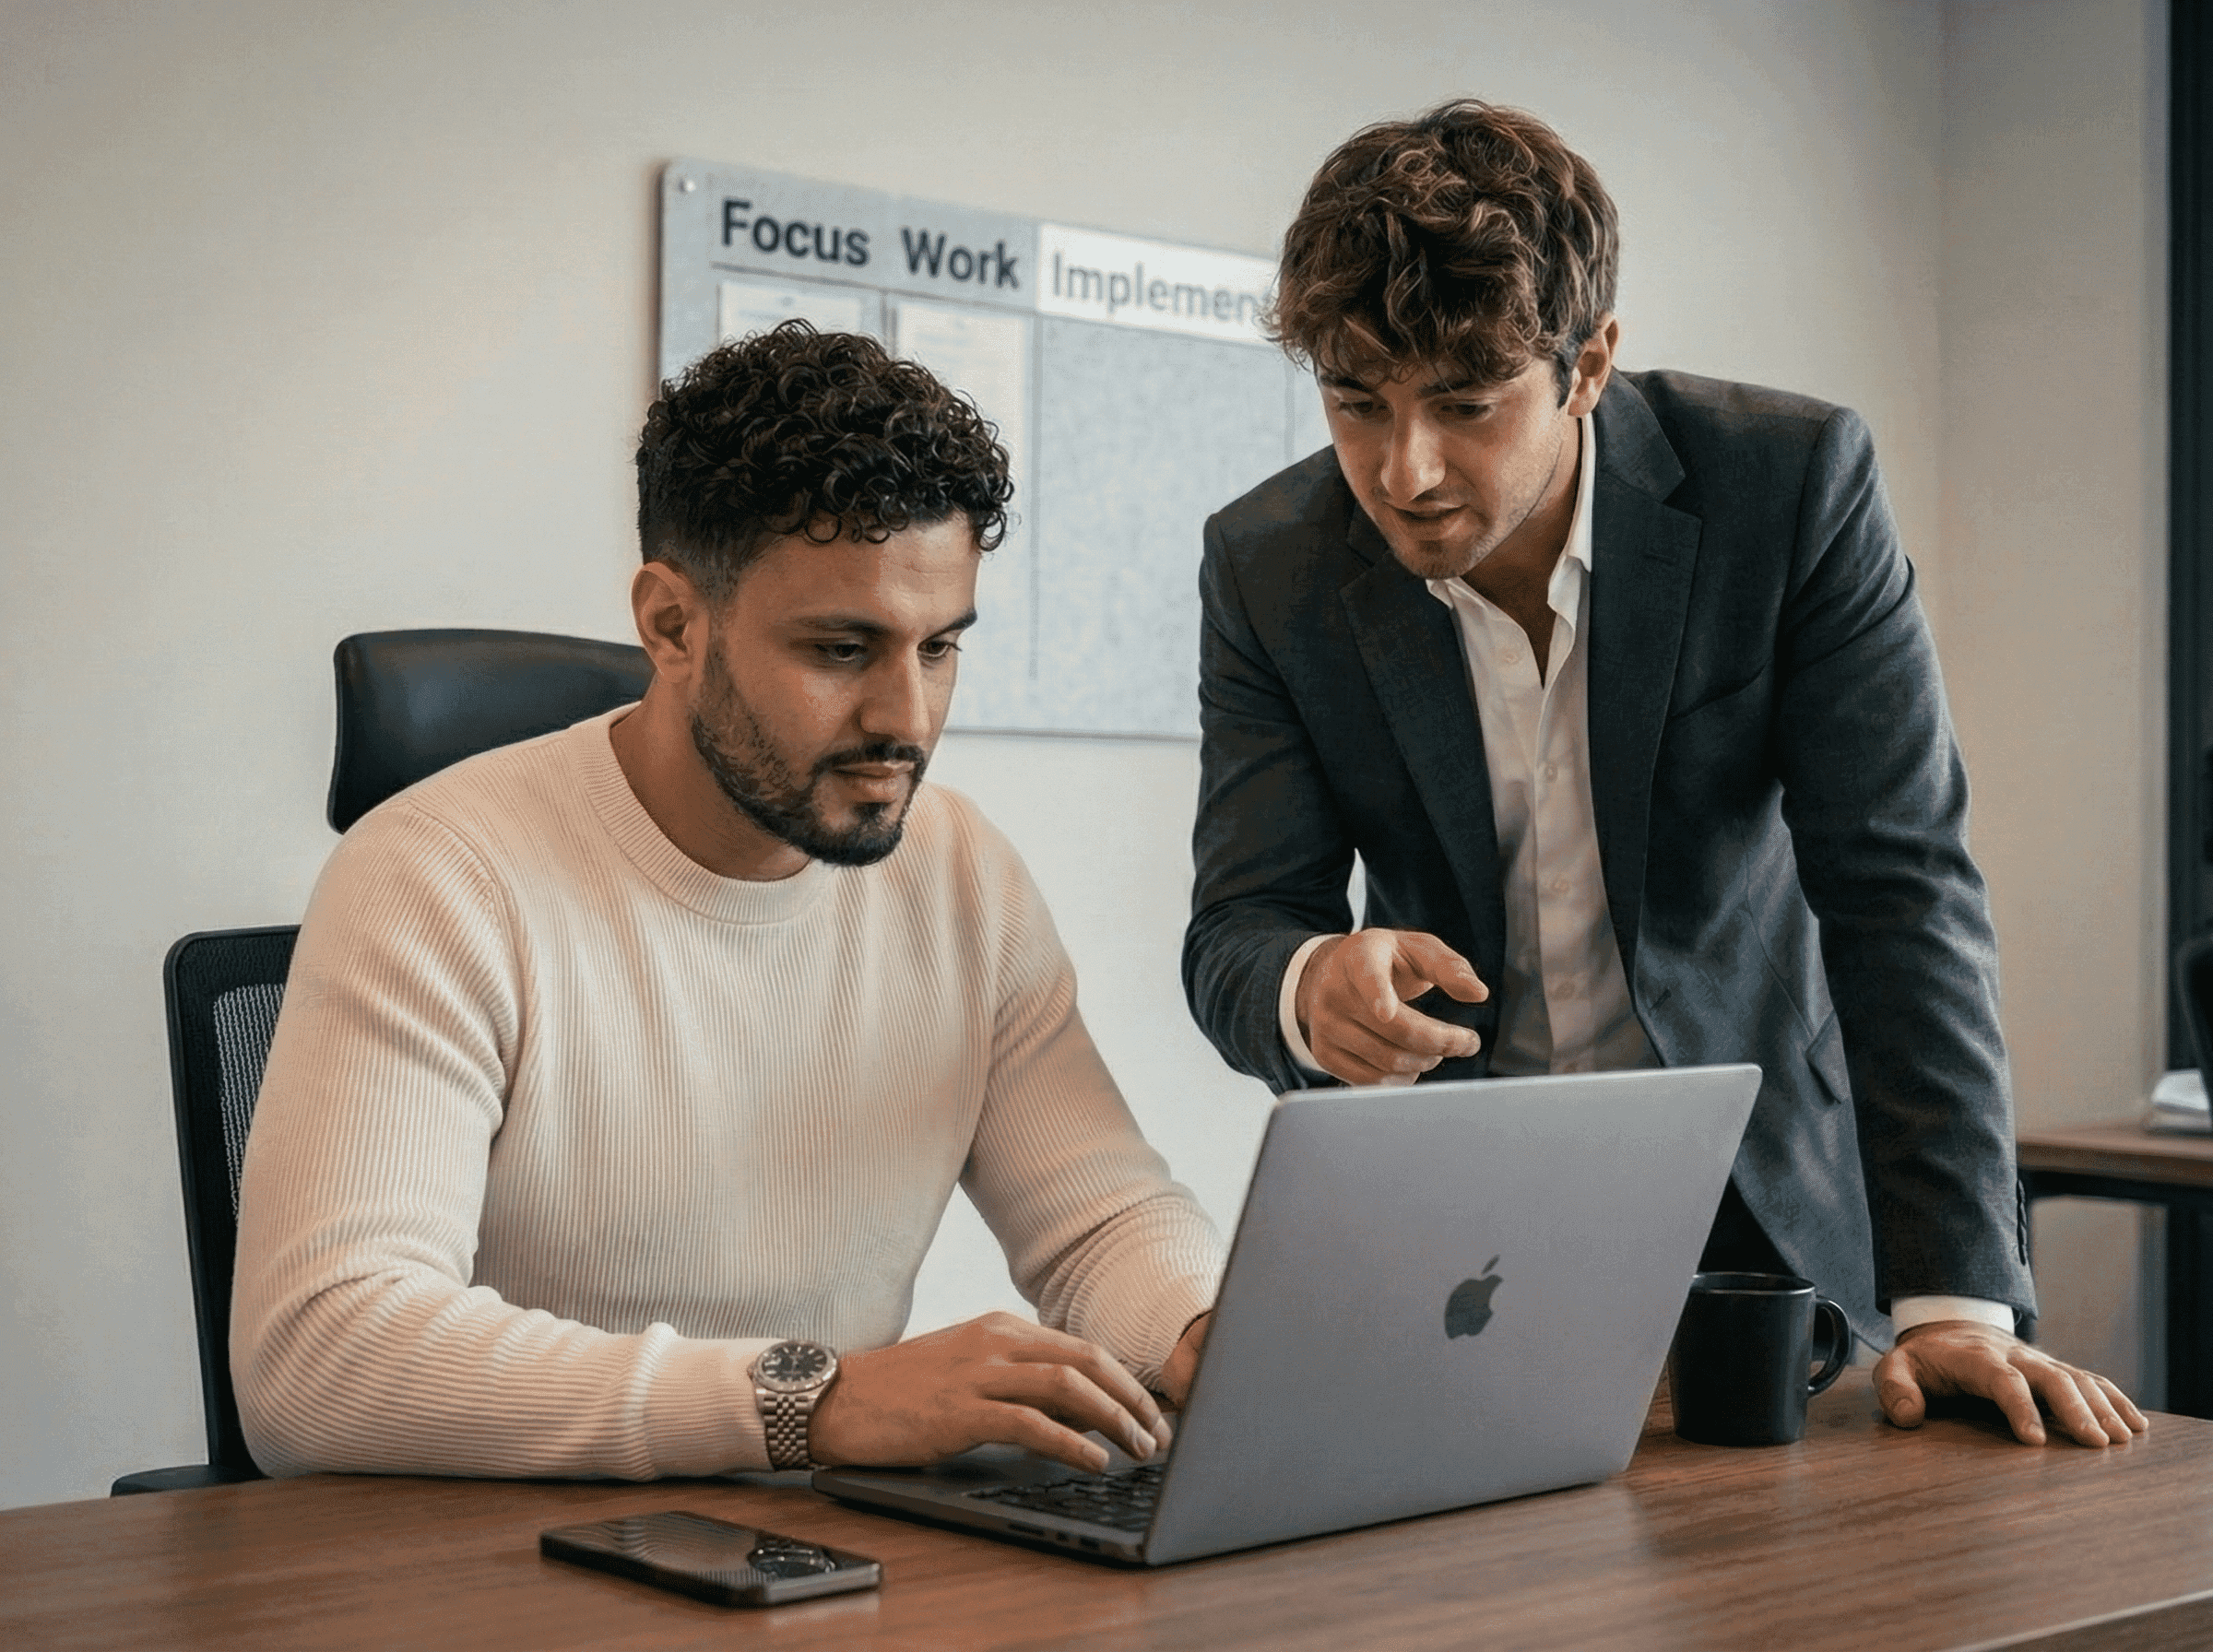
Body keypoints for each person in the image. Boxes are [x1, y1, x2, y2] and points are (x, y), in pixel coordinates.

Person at [1182, 100, 2145, 1448]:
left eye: (1465, 405)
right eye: (1357, 403)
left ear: (1589, 366)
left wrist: (1961, 1301)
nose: (1402, 470)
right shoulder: (1268, 566)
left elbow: (1900, 888)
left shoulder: (1790, 486)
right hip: (1457, 1256)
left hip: (1775, 1236)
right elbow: (1238, 927)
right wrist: (1305, 988)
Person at [232, 322, 1221, 1481]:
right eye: (844, 648)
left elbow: (1101, 1221)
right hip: (501, 1565)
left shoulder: (962, 876)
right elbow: (323, 1354)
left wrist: (1206, 1333)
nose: (907, 718)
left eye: (940, 646)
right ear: (672, 624)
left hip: (818, 1560)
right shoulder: (439, 875)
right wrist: (812, 1400)